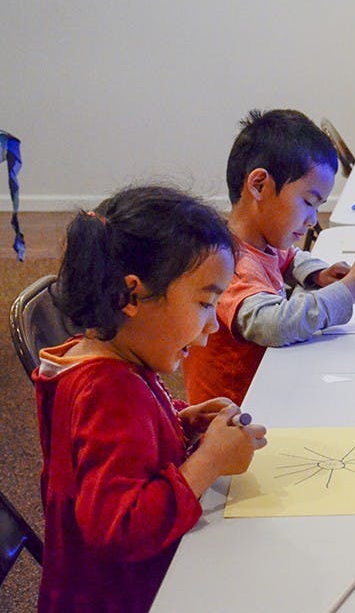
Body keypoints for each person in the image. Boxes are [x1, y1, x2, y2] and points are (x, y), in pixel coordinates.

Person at [35, 185, 268, 611]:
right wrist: (209, 460)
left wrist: (178, 421)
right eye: (204, 302)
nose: (212, 326)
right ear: (132, 296)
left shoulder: (97, 359)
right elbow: (121, 529)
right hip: (122, 598)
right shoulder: (109, 391)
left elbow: (112, 448)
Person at [183, 109, 355, 405]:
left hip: (272, 388)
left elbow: (289, 258)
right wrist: (354, 288)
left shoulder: (260, 240)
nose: (312, 219)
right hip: (236, 417)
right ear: (259, 185)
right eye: (309, 203)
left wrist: (318, 275)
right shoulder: (227, 264)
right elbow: (276, 324)